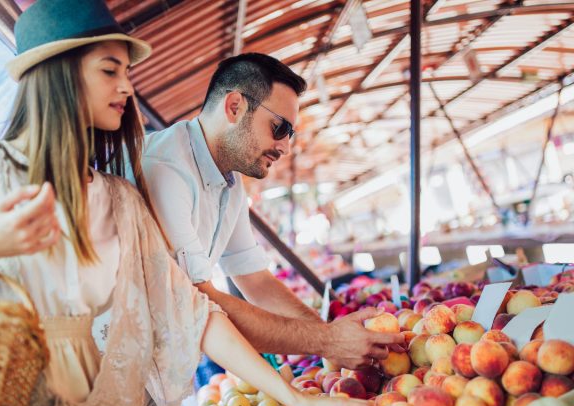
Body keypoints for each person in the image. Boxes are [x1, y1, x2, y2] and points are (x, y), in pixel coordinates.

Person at [0, 0, 384, 406]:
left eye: (127, 71)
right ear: (58, 73)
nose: (127, 86)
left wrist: (301, 398)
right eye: (110, 70)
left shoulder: (120, 201)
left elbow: (195, 311)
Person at [142, 54, 405, 370]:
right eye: (280, 128)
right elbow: (197, 300)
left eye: (290, 134)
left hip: (160, 369)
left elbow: (254, 279)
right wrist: (328, 341)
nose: (286, 148)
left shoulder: (229, 180)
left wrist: (331, 335)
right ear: (235, 107)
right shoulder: (167, 170)